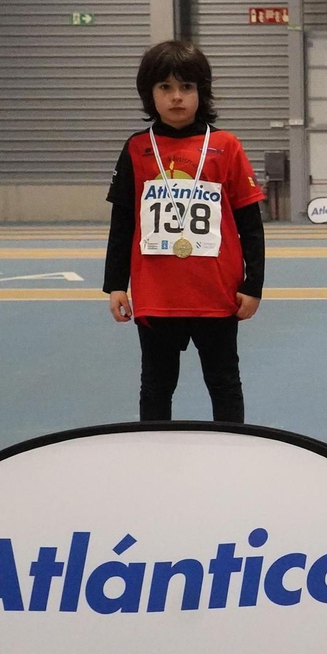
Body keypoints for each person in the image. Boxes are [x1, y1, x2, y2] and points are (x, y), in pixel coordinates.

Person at [103, 40, 267, 422]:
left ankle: (231, 453)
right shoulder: (136, 148)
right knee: (156, 385)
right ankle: (155, 458)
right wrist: (115, 284)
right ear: (150, 94)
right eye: (165, 88)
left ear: (201, 92)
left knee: (224, 382)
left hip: (217, 294)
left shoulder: (226, 146)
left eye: (187, 88)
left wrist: (253, 284)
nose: (176, 97)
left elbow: (250, 224)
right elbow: (123, 222)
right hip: (157, 295)